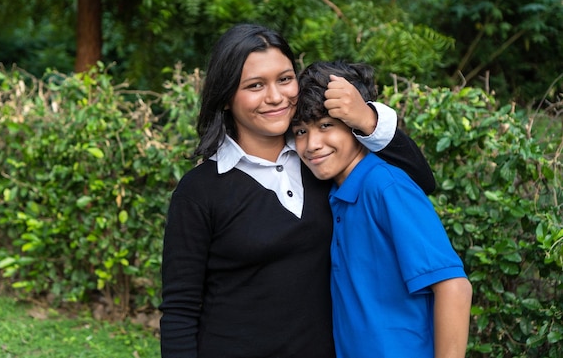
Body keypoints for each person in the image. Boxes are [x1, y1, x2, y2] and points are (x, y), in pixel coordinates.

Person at [159, 23, 436, 358]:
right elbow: (180, 308)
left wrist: (367, 119)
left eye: (285, 79)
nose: (275, 97)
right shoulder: (200, 191)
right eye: (255, 85)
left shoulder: (321, 162)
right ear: (226, 96)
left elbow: (418, 181)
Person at [291, 60, 473, 358]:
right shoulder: (336, 193)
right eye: (300, 131)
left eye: (326, 126)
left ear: (355, 124)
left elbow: (454, 288)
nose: (312, 144)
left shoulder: (385, 186)